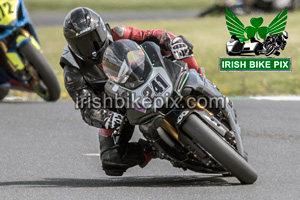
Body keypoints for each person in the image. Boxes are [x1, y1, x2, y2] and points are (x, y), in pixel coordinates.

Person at [60, 7, 205, 176]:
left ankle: (201, 79)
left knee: (181, 52)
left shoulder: (118, 33)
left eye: (93, 38)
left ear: (100, 29)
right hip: (118, 107)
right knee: (111, 160)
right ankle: (154, 149)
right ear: (71, 45)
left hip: (148, 77)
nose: (91, 47)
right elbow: (87, 108)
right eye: (82, 43)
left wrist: (173, 43)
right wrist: (107, 117)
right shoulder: (73, 71)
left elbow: (153, 35)